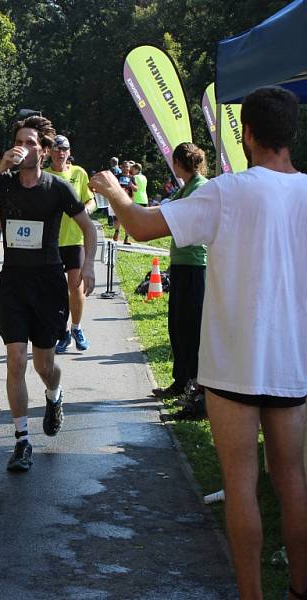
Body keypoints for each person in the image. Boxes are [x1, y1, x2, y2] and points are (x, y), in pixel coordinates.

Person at [90, 86, 307, 600]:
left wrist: (112, 192)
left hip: (233, 364)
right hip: (293, 362)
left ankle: (252, 594)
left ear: (247, 134)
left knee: (241, 484)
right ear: (291, 134)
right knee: (293, 482)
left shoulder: (228, 190)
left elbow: (141, 226)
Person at [0, 114, 96, 473]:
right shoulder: (3, 184)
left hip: (48, 283)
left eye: (31, 143)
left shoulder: (57, 188)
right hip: (13, 282)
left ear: (45, 150)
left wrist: (91, 265)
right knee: (16, 359)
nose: (24, 148)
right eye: (19, 142)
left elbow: (89, 227)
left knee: (43, 365)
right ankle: (21, 441)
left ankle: (54, 394)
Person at [150, 144, 208, 403]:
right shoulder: (186, 187)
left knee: (191, 327)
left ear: (177, 163)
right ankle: (180, 380)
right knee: (177, 326)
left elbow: (173, 218)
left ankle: (192, 385)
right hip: (181, 264)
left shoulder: (199, 187)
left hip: (196, 265)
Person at [45, 135, 96, 354]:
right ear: (49, 152)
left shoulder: (79, 173)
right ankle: (62, 332)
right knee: (55, 292)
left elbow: (91, 199)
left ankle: (77, 327)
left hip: (75, 239)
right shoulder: (44, 175)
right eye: (56, 149)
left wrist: (87, 210)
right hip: (51, 241)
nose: (60, 153)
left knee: (75, 288)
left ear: (69, 151)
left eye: (63, 149)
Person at [113, 160, 136, 243]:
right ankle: (117, 231)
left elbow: (136, 189)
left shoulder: (132, 177)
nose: (126, 168)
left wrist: (132, 186)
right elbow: (112, 186)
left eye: (128, 167)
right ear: (121, 167)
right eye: (125, 166)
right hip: (118, 199)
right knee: (117, 218)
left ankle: (126, 238)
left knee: (127, 219)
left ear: (129, 168)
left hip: (128, 200)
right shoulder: (117, 176)